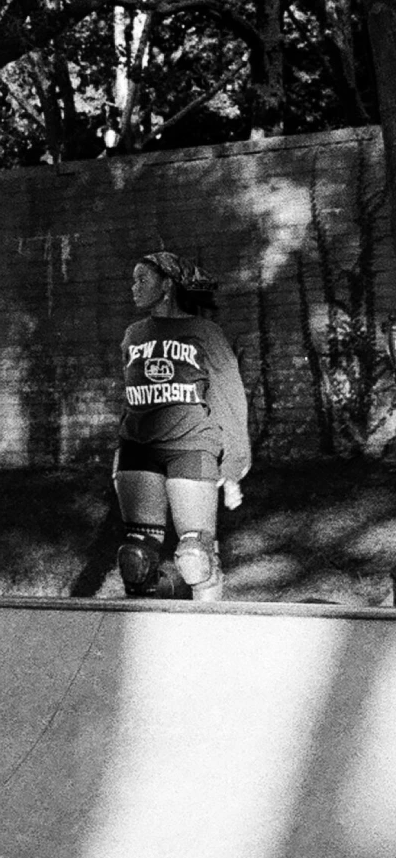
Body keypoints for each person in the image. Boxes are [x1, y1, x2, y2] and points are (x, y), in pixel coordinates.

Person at [114, 252, 249, 602]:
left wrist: (233, 464)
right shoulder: (133, 335)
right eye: (133, 280)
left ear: (167, 285)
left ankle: (208, 641)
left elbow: (230, 398)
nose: (134, 287)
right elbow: (131, 398)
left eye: (142, 279)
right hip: (138, 450)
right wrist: (121, 448)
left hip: (191, 447)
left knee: (195, 557)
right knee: (136, 558)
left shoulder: (205, 333)